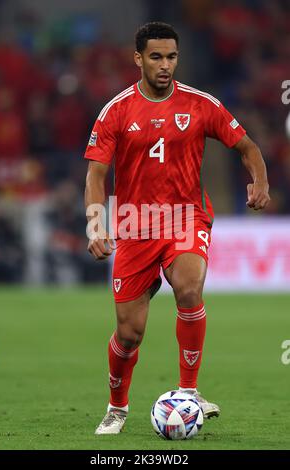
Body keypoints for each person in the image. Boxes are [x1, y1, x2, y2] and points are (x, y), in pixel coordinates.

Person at [84, 22, 270, 435]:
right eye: (155, 57)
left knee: (188, 287)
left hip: (186, 217)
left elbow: (247, 147)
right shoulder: (116, 110)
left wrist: (260, 179)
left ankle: (189, 391)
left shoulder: (201, 104)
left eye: (171, 57)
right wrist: (97, 224)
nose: (165, 65)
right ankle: (117, 407)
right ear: (138, 59)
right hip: (134, 225)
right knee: (129, 334)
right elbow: (96, 174)